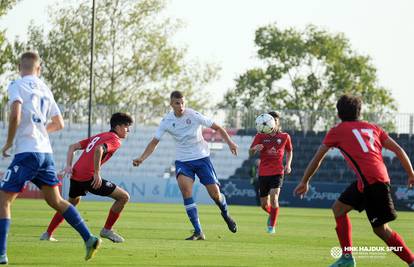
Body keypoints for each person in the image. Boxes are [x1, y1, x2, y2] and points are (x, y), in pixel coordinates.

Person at [0, 51, 101, 264]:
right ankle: (89, 237)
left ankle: (1, 253)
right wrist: (40, 130)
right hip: (45, 153)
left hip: (27, 152)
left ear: (20, 66)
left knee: (3, 200)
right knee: (55, 200)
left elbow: (15, 114)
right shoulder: (45, 88)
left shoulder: (16, 84)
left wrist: (9, 142)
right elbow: (59, 123)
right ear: (39, 68)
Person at [294, 94, 414, 267]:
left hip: (372, 182)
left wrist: (304, 181)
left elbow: (317, 158)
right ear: (360, 111)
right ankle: (347, 258)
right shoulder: (374, 128)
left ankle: (411, 261)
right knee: (338, 209)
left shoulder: (337, 131)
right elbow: (399, 150)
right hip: (368, 181)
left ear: (338, 113)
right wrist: (411, 174)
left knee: (381, 230)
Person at [132, 90, 238, 240]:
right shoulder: (166, 121)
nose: (181, 106)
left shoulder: (193, 115)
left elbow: (218, 128)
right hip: (183, 161)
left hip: (202, 158)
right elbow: (154, 142)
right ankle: (198, 231)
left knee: (215, 195)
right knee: (186, 192)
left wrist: (230, 143)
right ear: (171, 104)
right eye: (177, 103)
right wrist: (142, 158)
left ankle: (226, 214)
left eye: (182, 103)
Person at [40, 112, 133, 243]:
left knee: (68, 205)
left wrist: (68, 166)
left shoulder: (100, 135)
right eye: (126, 126)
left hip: (76, 175)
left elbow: (72, 147)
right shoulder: (115, 140)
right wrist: (96, 172)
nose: (128, 130)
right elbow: (99, 150)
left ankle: (48, 233)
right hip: (88, 177)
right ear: (117, 127)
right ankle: (107, 230)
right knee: (124, 197)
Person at [249, 111, 292, 234]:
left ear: (277, 123)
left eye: (274, 121)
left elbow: (289, 151)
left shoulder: (285, 137)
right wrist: (254, 149)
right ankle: (273, 215)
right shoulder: (260, 136)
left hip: (278, 172)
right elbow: (250, 153)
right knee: (264, 205)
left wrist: (288, 164)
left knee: (274, 197)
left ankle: (271, 227)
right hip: (263, 173)